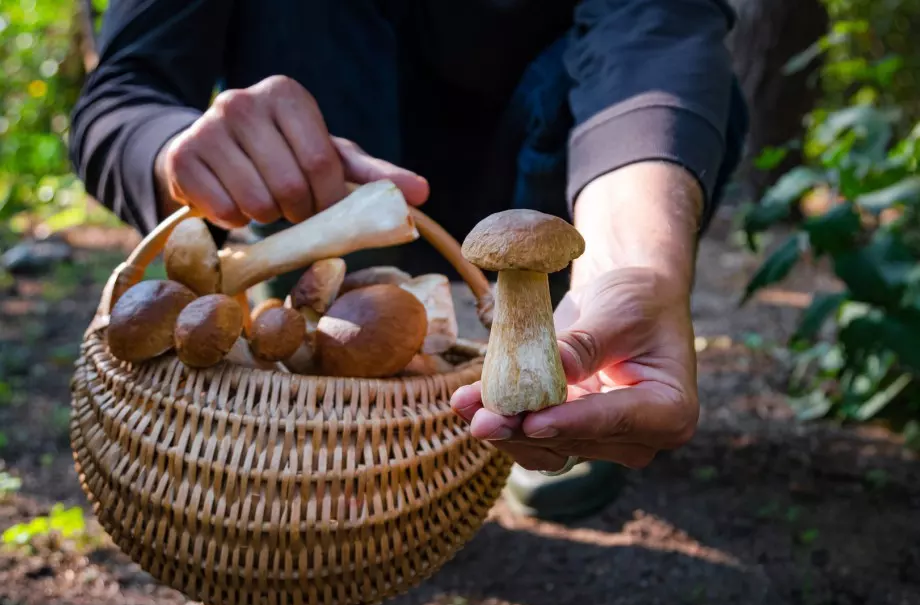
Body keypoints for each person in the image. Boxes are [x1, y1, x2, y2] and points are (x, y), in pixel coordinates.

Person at [70, 0, 748, 522]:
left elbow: (657, 26)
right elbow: (122, 95)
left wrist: (632, 267)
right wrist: (180, 153)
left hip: (535, 177)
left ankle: (542, 365)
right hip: (322, 206)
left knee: (705, 94)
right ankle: (316, 391)